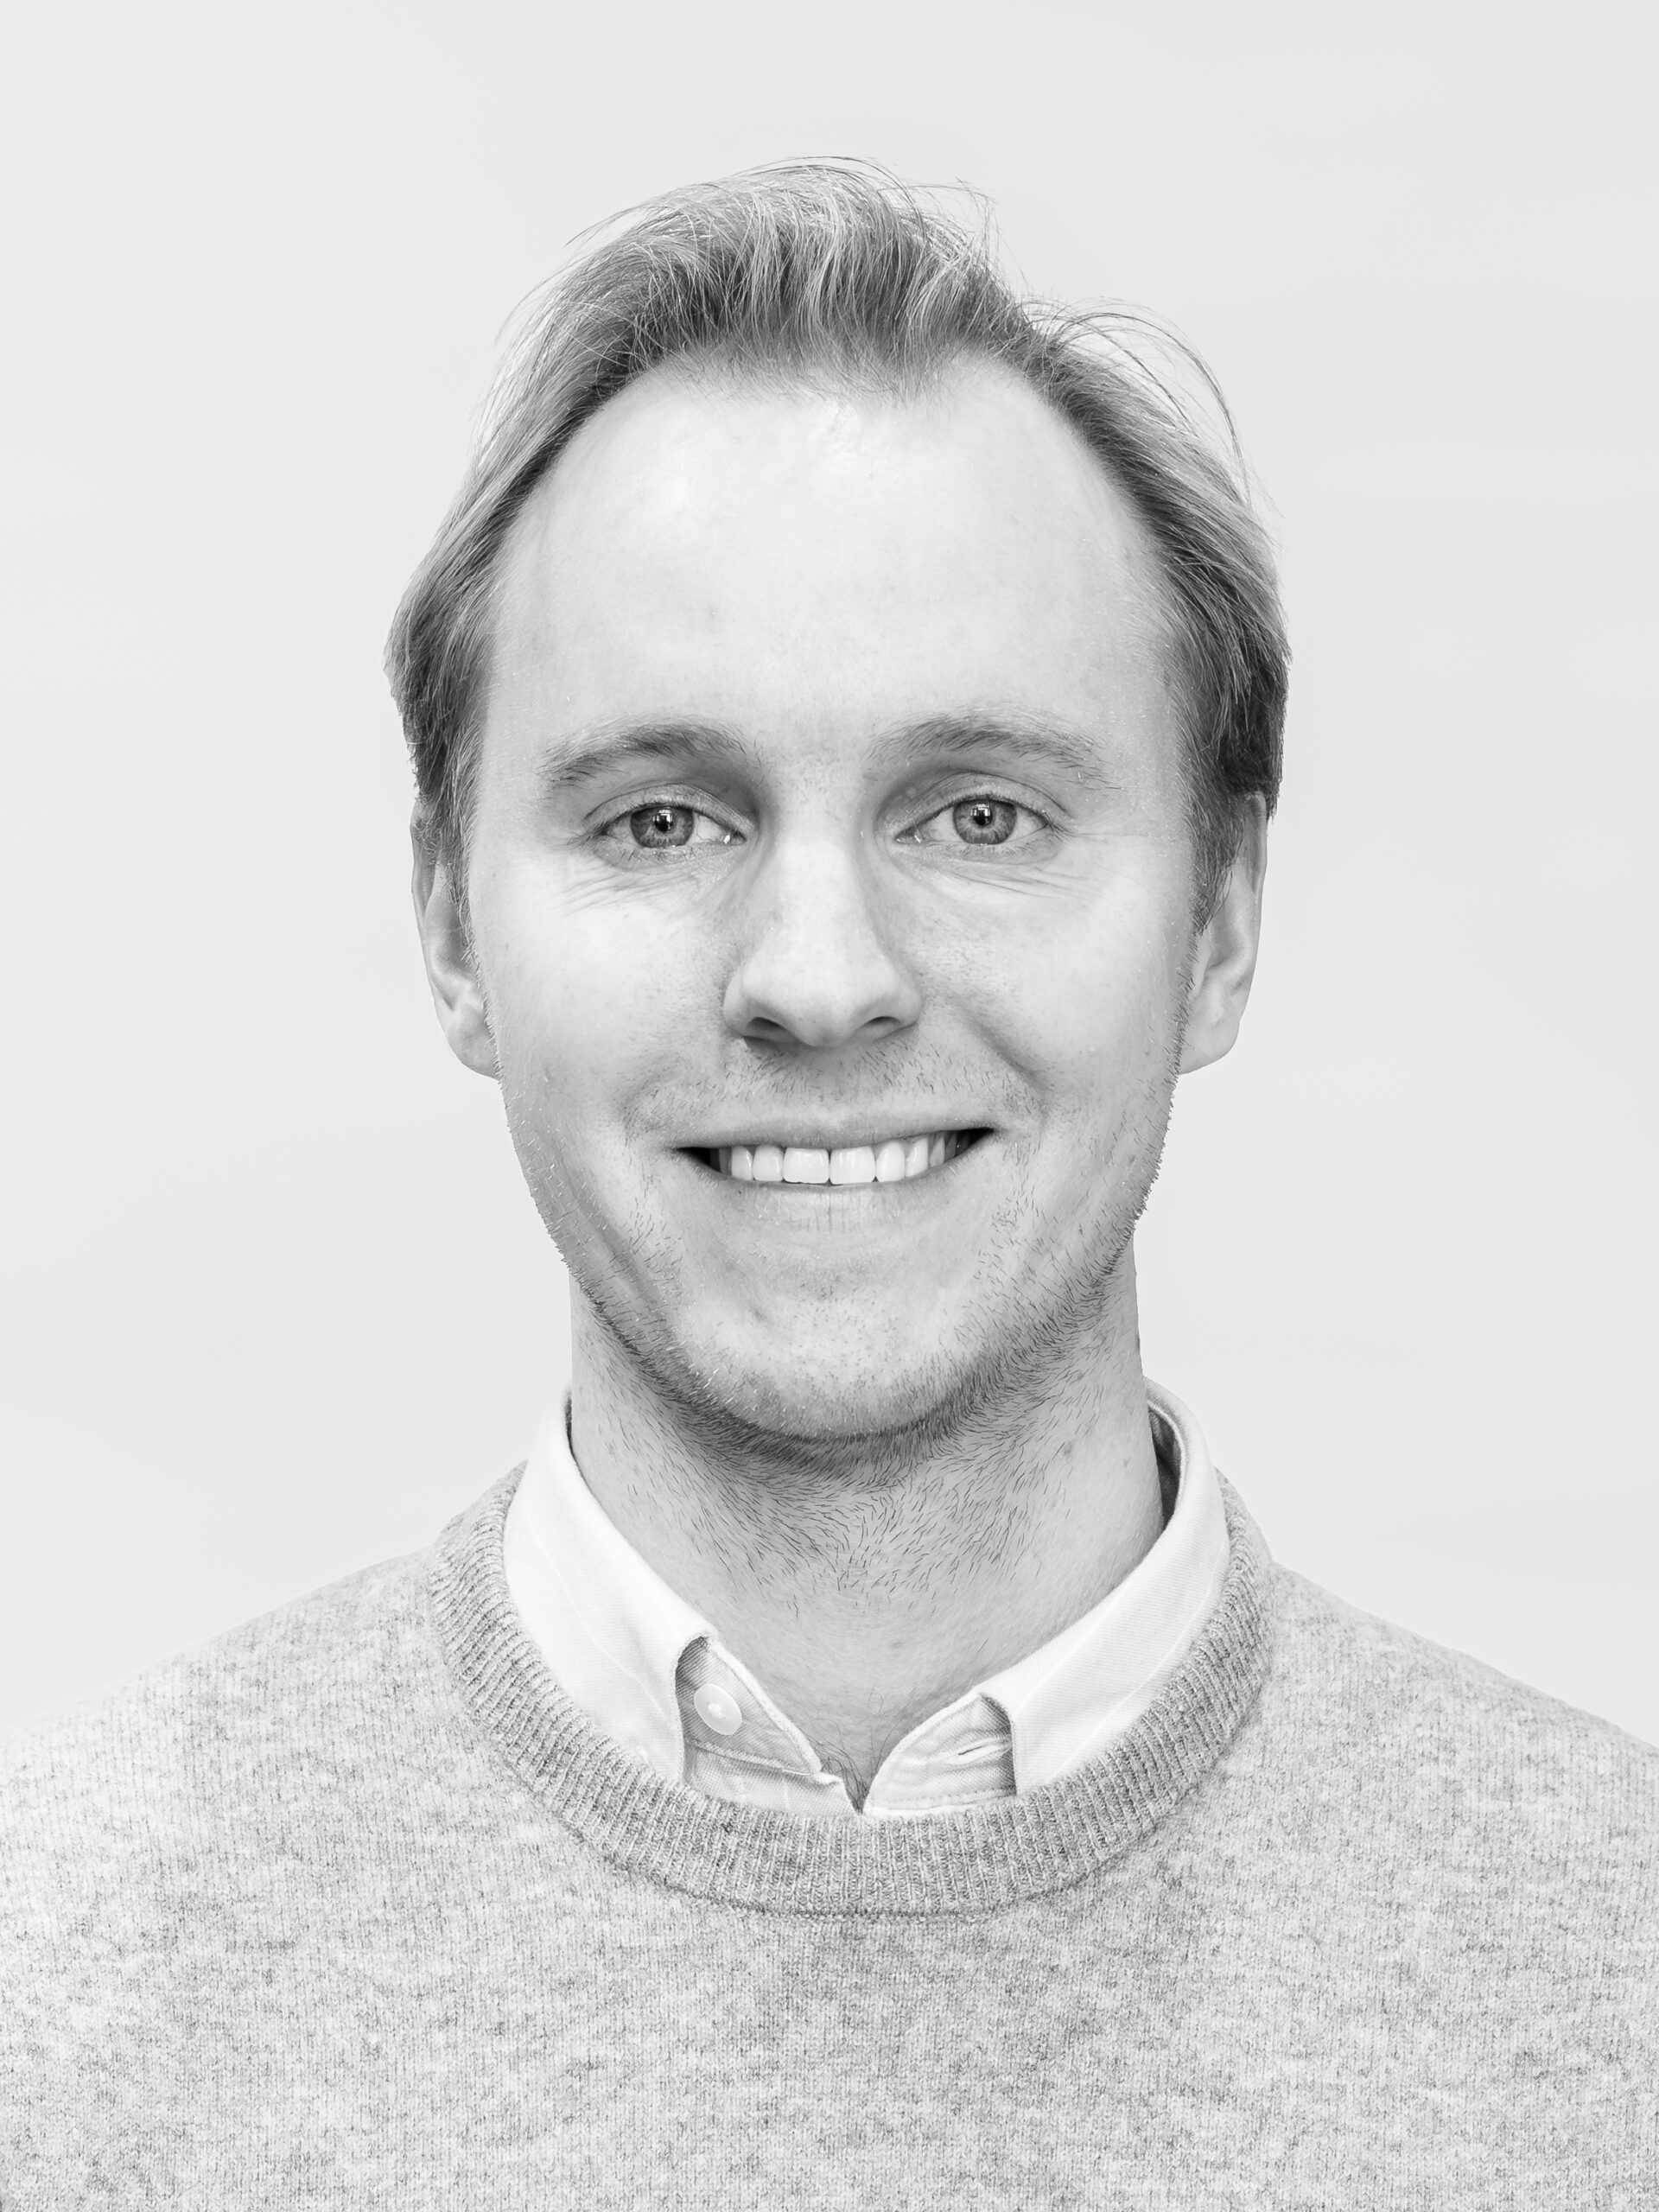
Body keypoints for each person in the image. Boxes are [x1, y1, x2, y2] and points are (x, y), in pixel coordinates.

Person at [2, 162, 1653, 2206]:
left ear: (1224, 916)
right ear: (448, 925)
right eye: (662, 817)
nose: (816, 975)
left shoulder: (1621, 1979)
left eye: (981, 813)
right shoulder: (42, 1991)